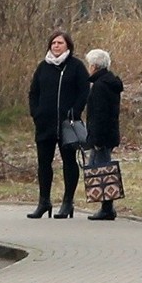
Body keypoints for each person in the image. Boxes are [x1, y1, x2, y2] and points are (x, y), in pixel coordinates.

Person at [27, 30, 90, 219]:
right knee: (44, 163)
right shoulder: (43, 67)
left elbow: (84, 90)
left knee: (69, 162)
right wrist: (36, 113)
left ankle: (67, 202)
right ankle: (44, 201)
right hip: (45, 123)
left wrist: (75, 111)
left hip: (66, 124)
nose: (56, 46)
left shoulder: (76, 66)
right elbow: (33, 92)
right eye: (53, 43)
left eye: (60, 43)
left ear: (68, 46)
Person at [84, 49, 123, 221]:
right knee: (101, 168)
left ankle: (107, 207)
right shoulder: (109, 83)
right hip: (109, 133)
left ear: (94, 66)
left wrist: (96, 139)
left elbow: (99, 115)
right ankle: (106, 206)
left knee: (102, 170)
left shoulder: (100, 86)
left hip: (102, 135)